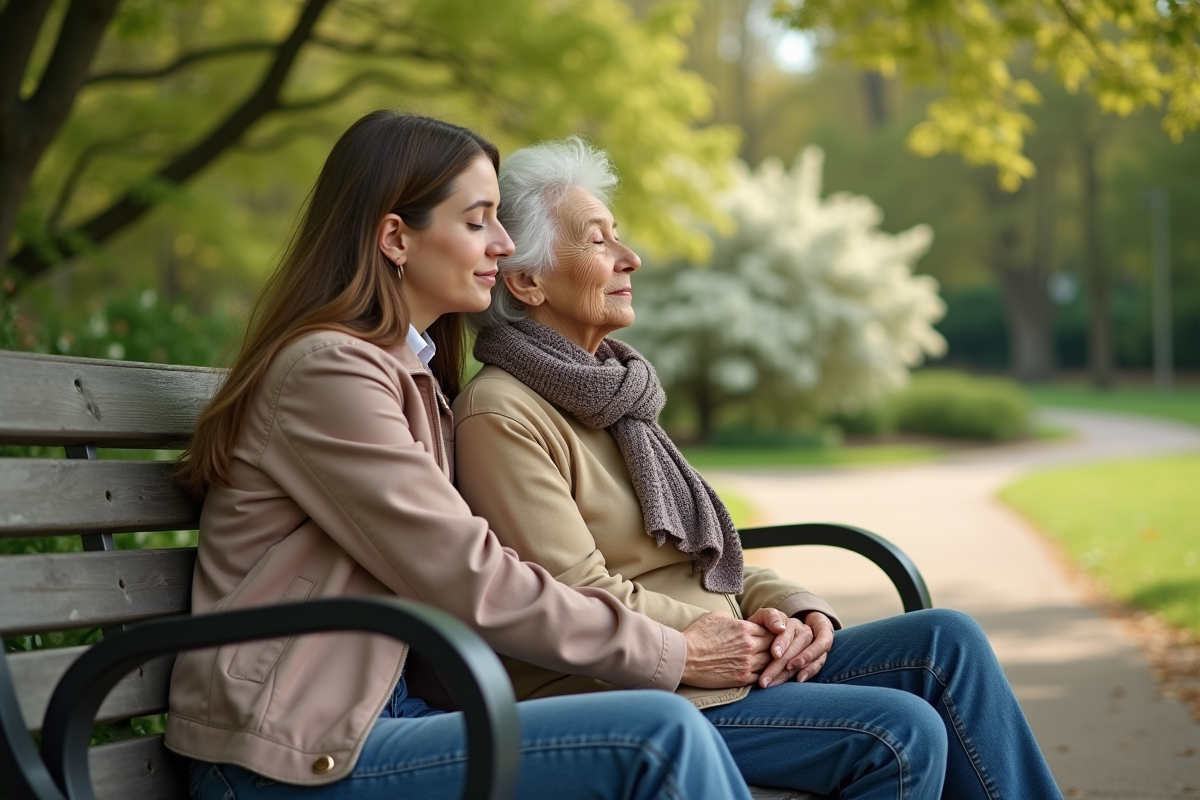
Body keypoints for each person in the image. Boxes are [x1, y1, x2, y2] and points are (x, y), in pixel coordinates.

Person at [166, 111, 767, 800]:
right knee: (659, 736)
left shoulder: (412, 378)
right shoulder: (328, 373)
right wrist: (675, 651)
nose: (504, 245)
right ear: (396, 237)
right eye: (478, 221)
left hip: (386, 717)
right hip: (286, 748)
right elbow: (470, 577)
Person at [453, 136, 1066, 800]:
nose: (631, 258)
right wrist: (725, 635)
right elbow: (574, 597)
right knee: (900, 731)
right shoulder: (503, 414)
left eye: (618, 237)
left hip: (729, 660)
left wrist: (793, 611)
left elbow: (706, 557)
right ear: (526, 280)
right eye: (599, 243)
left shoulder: (611, 393)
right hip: (635, 690)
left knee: (948, 641)